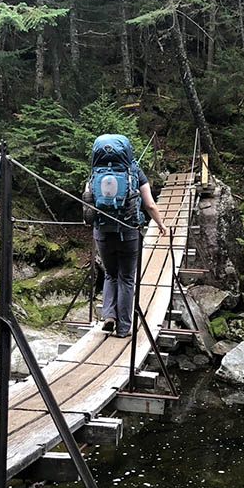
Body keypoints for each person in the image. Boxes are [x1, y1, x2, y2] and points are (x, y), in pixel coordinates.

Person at [83, 134, 167, 338]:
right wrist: (161, 225)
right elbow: (150, 204)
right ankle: (123, 328)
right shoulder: (135, 171)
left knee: (111, 274)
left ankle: (109, 315)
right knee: (127, 278)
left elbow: (88, 202)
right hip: (128, 232)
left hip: (102, 233)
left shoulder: (96, 173)